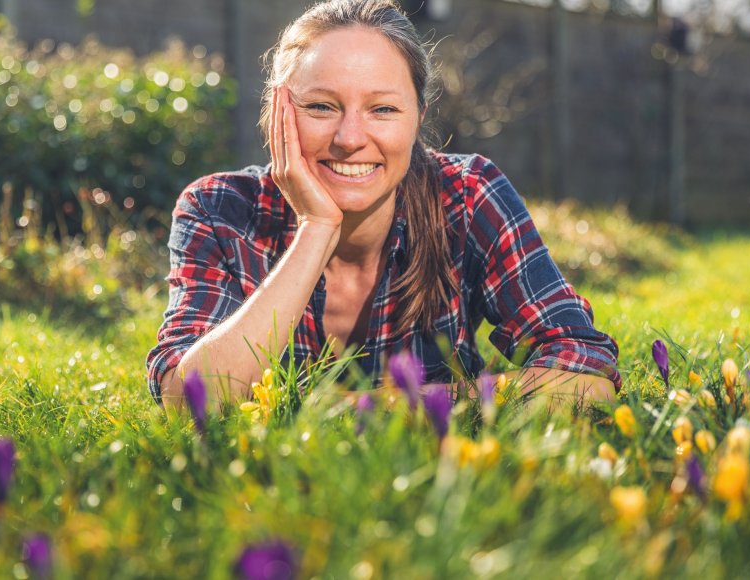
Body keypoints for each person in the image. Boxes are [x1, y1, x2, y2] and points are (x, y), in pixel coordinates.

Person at [147, 0, 620, 410]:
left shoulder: (468, 195)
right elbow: (192, 401)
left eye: (383, 109)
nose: (350, 138)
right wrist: (316, 226)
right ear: (277, 114)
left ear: (418, 118)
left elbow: (586, 372)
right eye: (321, 107)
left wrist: (370, 409)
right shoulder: (218, 209)